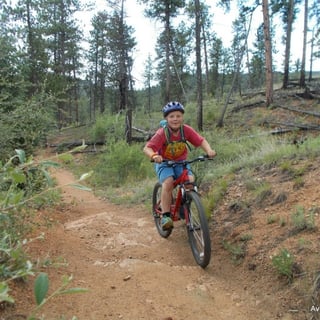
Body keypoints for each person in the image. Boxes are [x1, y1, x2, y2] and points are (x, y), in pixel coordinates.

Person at [143, 101, 216, 230]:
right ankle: (166, 216)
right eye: (171, 116)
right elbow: (147, 148)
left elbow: (201, 141)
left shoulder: (186, 130)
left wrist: (209, 150)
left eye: (178, 116)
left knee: (190, 181)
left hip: (181, 162)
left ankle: (184, 206)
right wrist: (154, 156)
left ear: (182, 117)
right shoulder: (162, 133)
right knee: (168, 182)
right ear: (166, 118)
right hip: (164, 163)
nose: (175, 119)